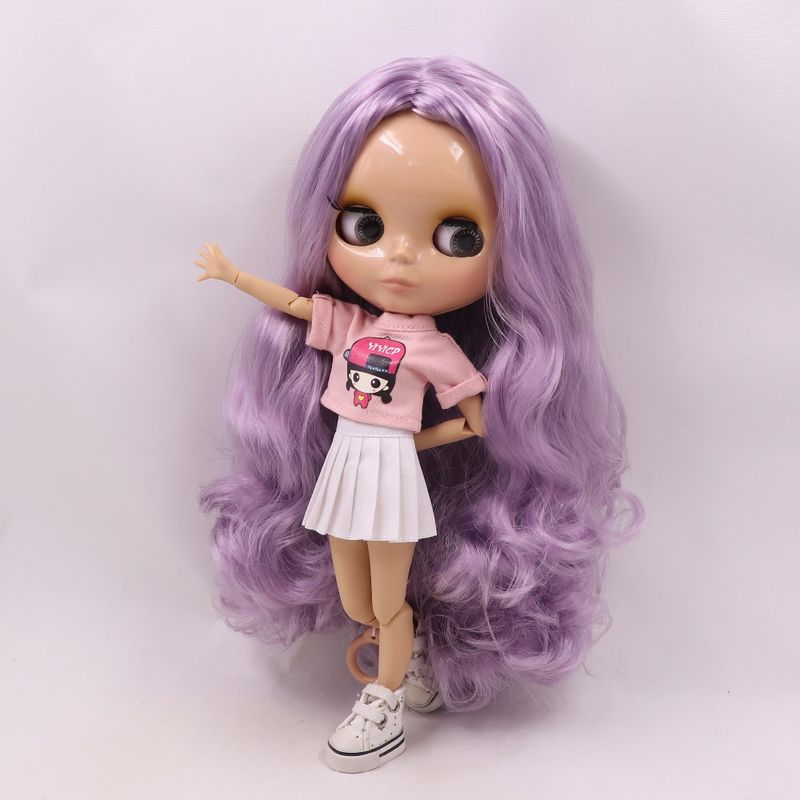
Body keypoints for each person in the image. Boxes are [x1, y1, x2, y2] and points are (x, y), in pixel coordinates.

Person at [196, 56, 643, 774]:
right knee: (358, 595)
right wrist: (234, 275)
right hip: (346, 465)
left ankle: (384, 699)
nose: (399, 257)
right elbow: (299, 306)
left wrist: (414, 439)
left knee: (386, 596)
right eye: (365, 224)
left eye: (457, 236)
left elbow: (477, 416)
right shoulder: (352, 324)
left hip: (391, 471)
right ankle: (407, 659)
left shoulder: (434, 348)